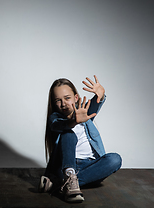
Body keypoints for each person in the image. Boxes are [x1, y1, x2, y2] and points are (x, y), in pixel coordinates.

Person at [39, 75, 122, 203]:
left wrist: (100, 95)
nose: (63, 104)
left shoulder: (83, 112)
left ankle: (60, 184)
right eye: (58, 100)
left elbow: (94, 106)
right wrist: (72, 122)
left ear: (76, 98)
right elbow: (57, 126)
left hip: (91, 167)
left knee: (115, 159)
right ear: (54, 104)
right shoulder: (55, 118)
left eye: (67, 98)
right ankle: (69, 178)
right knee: (68, 134)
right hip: (66, 167)